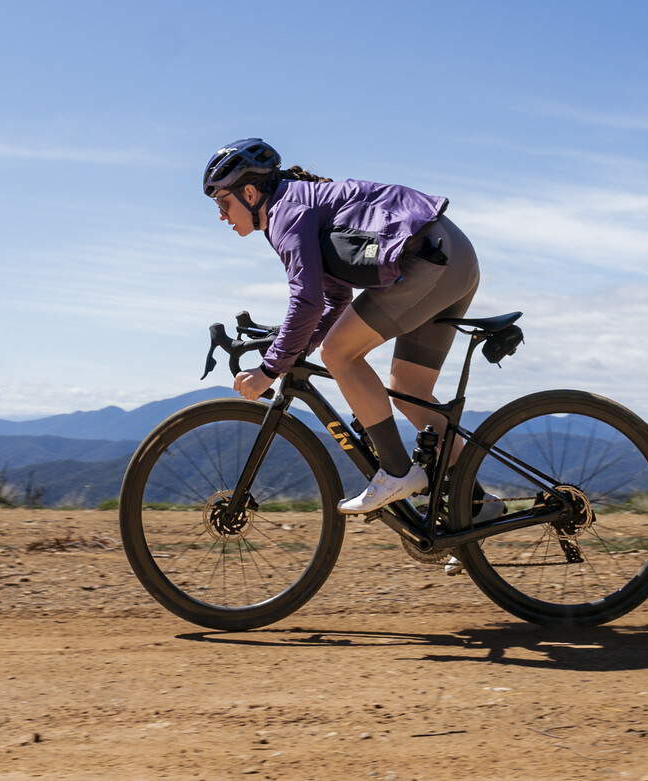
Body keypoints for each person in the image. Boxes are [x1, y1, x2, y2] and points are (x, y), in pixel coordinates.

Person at [203, 137, 486, 515]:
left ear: (250, 192)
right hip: (453, 256)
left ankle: (397, 472)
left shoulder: (286, 213)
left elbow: (307, 302)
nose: (221, 215)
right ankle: (477, 506)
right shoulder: (298, 202)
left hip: (430, 259)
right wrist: (294, 348)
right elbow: (335, 301)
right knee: (409, 389)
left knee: (339, 353)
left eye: (223, 202)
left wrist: (271, 368)